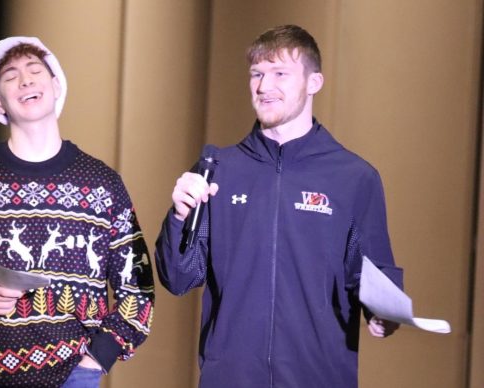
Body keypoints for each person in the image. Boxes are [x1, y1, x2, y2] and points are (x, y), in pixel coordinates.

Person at [155, 25, 402, 388]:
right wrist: (178, 216)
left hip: (319, 376)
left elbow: (371, 273)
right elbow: (178, 278)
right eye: (257, 74)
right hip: (231, 377)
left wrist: (384, 313)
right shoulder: (219, 170)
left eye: (280, 74)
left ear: (314, 82)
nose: (263, 87)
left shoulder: (354, 177)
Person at [0, 36, 154, 388]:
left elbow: (137, 286)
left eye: (35, 70)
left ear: (56, 85)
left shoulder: (103, 184)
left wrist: (97, 358)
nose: (26, 80)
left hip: (74, 373)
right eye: (11, 76)